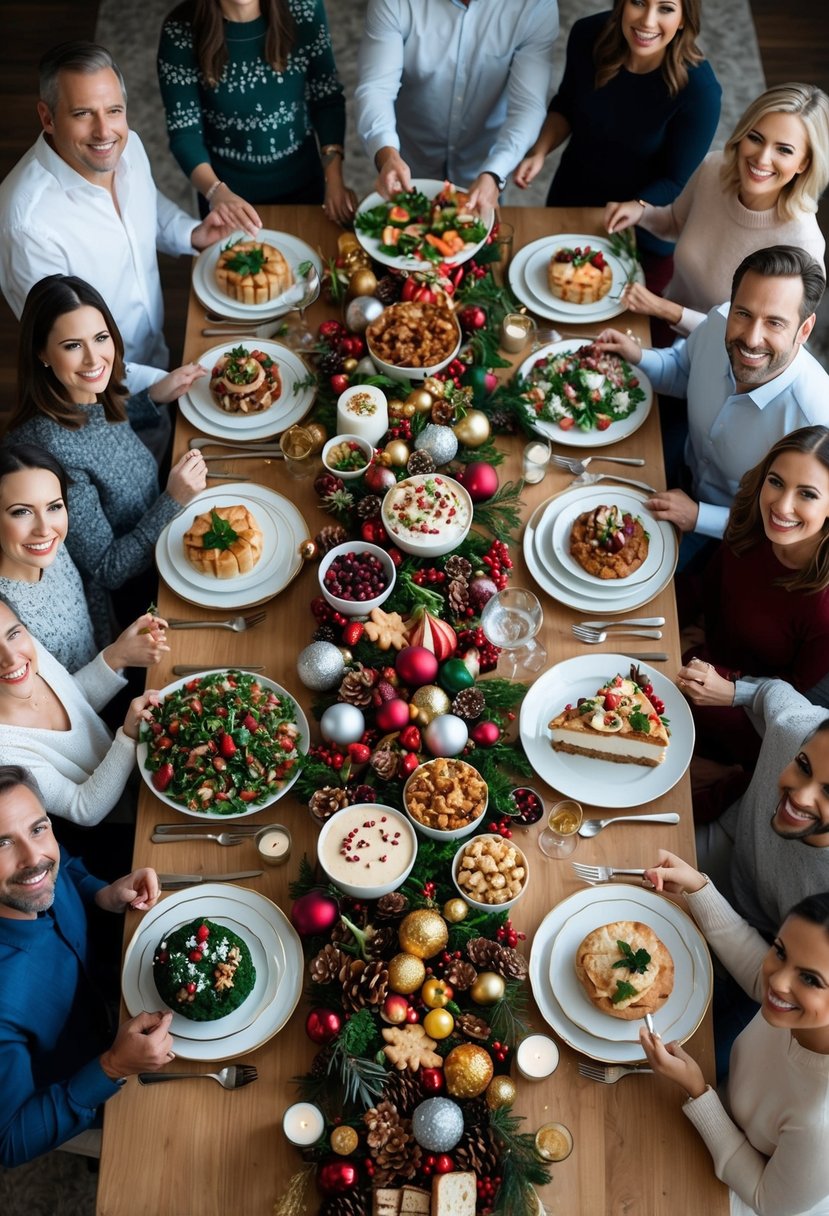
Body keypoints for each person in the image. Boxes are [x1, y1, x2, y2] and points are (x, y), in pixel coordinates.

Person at [0, 40, 232, 398]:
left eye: (114, 110)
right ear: (47, 118)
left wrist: (190, 233)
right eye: (82, 114)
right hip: (99, 398)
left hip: (159, 357)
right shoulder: (27, 224)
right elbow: (62, 347)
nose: (104, 131)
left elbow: (146, 202)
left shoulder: (129, 146)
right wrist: (153, 386)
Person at [0, 766, 173, 1167]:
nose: (34, 858)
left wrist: (103, 893)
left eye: (38, 829)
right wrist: (112, 1066)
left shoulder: (35, 874)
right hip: (86, 1081)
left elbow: (65, 866)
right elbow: (7, 1142)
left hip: (112, 1004)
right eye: (2, 843)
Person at [597, 245, 829, 543]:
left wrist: (698, 517)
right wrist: (639, 357)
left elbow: (793, 520)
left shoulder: (816, 420)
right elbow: (682, 372)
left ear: (805, 329)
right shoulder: (718, 321)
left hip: (733, 534)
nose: (751, 338)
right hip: (680, 466)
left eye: (775, 322)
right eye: (743, 313)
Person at [641, 852, 829, 1216]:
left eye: (810, 979)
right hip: (725, 1108)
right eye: (780, 951)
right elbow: (759, 974)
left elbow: (767, 1200)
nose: (778, 981)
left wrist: (698, 1092)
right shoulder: (797, 1010)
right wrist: (697, 888)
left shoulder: (820, 1124)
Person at [3, 275, 207, 599]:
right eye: (72, 345)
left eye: (100, 338)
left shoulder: (84, 394)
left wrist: (152, 397)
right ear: (41, 352)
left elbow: (101, 431)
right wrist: (172, 501)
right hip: (135, 592)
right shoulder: (53, 452)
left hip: (162, 539)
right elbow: (108, 569)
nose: (93, 358)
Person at [514, 0, 721, 291]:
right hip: (571, 202)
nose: (647, 21)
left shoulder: (701, 92)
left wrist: (636, 206)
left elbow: (676, 180)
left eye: (665, 8)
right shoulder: (587, 35)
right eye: (638, 2)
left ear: (684, 18)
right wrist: (539, 152)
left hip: (641, 232)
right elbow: (566, 105)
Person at [604, 82, 829, 338]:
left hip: (721, 359)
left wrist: (669, 310)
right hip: (662, 321)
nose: (762, 159)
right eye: (755, 138)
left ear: (804, 163)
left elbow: (757, 338)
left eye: (784, 150)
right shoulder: (715, 167)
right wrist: (640, 212)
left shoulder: (803, 244)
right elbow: (675, 223)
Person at [675, 428, 829, 785]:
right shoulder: (751, 526)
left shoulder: (823, 605)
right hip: (700, 656)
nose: (781, 505)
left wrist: (717, 673)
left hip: (742, 709)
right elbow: (706, 588)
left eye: (806, 494)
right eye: (776, 482)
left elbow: (792, 700)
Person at [157, 0, 356, 230]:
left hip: (305, 185)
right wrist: (216, 192)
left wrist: (334, 179)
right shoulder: (179, 31)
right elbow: (185, 132)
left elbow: (326, 97)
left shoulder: (305, 8)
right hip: (226, 197)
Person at [354, 0, 559, 213]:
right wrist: (386, 154)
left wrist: (495, 174)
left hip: (484, 160)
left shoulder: (534, 5)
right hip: (411, 156)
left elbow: (527, 106)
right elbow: (377, 88)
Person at [0, 600, 164, 827]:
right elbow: (83, 809)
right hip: (120, 824)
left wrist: (118, 655)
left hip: (139, 769)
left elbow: (76, 698)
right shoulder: (4, 751)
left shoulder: (28, 649)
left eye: (13, 633)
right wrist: (127, 736)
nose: (10, 658)